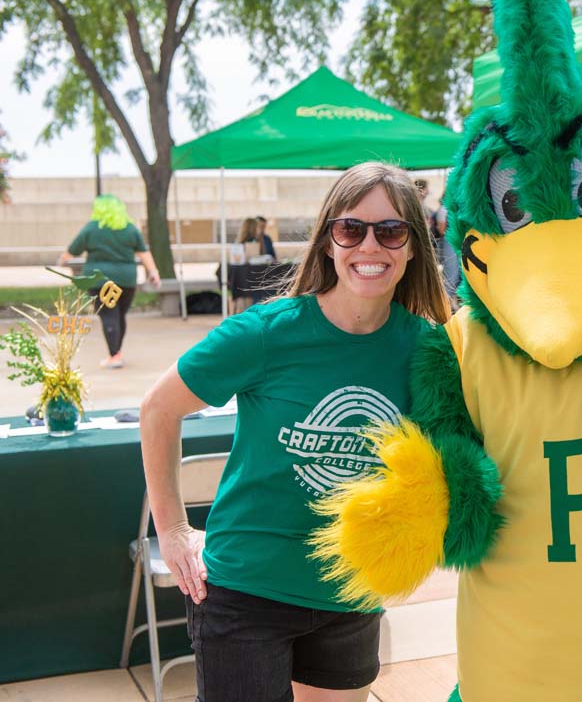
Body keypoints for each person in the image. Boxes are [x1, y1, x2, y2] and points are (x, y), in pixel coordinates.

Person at [140, 163, 451, 702]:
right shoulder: (266, 333)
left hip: (351, 593)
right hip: (246, 592)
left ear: (412, 248)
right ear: (329, 241)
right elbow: (158, 409)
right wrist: (172, 530)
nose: (369, 245)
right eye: (351, 229)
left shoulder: (430, 349)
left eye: (390, 231)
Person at [59, 194, 161, 369]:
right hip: (126, 280)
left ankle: (114, 356)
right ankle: (117, 352)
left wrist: (62, 261)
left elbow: (72, 251)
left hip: (100, 281)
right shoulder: (129, 229)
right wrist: (153, 272)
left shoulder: (92, 229)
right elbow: (144, 252)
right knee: (119, 315)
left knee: (108, 315)